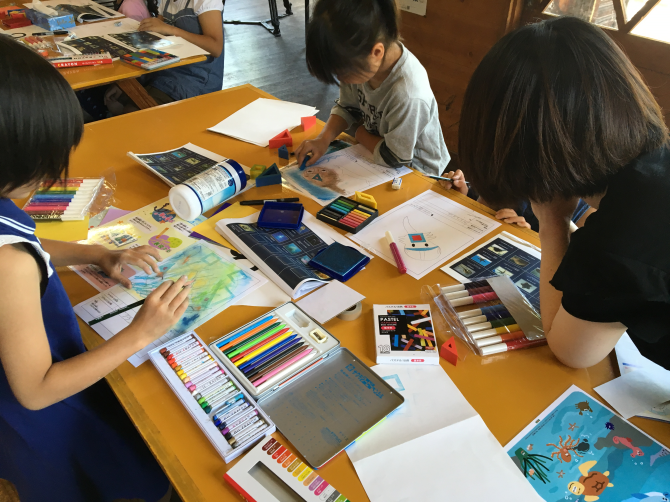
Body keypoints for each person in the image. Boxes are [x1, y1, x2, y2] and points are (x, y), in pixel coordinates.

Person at [0, 37, 192, 501]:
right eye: (47, 161)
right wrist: (140, 333)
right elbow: (37, 391)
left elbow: (25, 242)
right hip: (50, 415)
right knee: (109, 474)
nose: (52, 175)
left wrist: (94, 253)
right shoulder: (9, 265)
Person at [458, 16, 670, 369]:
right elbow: (600, 266)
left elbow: (571, 350)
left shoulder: (627, 228)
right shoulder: (652, 166)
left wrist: (553, 220)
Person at [295, 0, 451, 179]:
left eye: (342, 74)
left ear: (376, 53)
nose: (342, 80)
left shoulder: (408, 94)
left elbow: (394, 158)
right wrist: (323, 139)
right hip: (375, 154)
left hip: (416, 172)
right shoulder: (358, 62)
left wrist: (359, 132)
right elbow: (347, 108)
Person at [105, 0, 224, 110]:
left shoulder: (204, 1)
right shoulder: (166, 2)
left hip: (195, 79)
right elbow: (156, 41)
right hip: (165, 71)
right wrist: (130, 79)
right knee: (112, 98)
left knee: (132, 113)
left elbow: (216, 47)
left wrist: (171, 30)